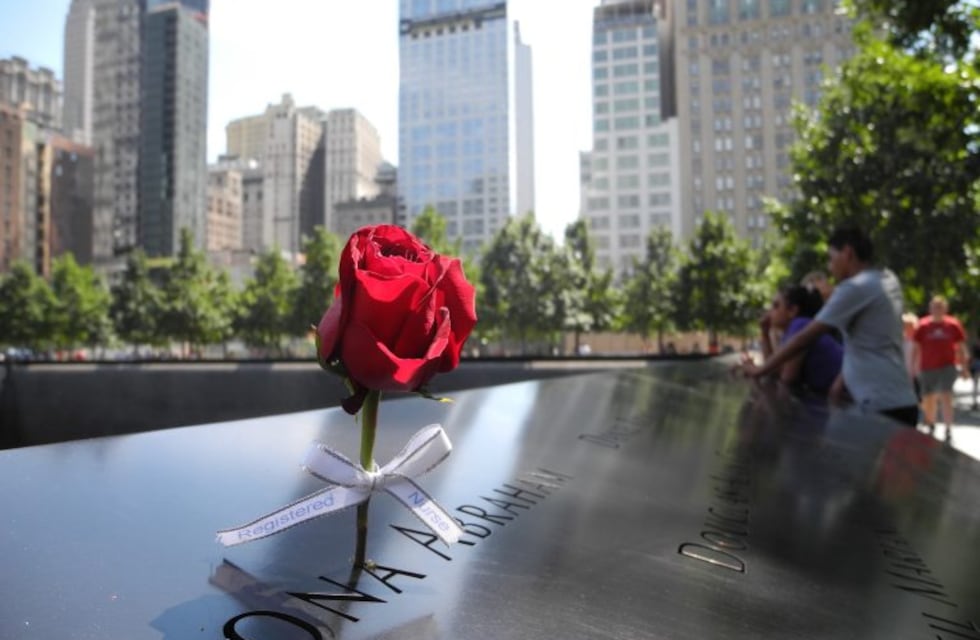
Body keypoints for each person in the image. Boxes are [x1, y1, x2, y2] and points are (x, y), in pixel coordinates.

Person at [741, 227, 918, 427]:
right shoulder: (887, 279)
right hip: (902, 398)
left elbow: (804, 338)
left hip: (878, 405)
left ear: (847, 253)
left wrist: (759, 371)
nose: (830, 266)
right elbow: (868, 343)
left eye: (831, 258)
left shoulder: (854, 288)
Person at [754, 284, 842, 394]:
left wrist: (756, 370)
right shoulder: (791, 331)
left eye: (776, 306)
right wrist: (764, 333)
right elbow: (773, 371)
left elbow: (787, 377)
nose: (770, 312)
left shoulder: (800, 325)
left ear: (792, 311)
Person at [912, 296, 970, 439]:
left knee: (946, 396)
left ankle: (948, 427)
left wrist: (964, 367)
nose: (937, 310)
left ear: (945, 309)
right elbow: (916, 348)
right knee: (928, 398)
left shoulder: (953, 325)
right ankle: (930, 423)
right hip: (927, 366)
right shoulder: (923, 326)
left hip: (947, 366)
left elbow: (961, 348)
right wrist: (913, 367)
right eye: (935, 307)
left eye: (940, 307)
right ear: (930, 309)